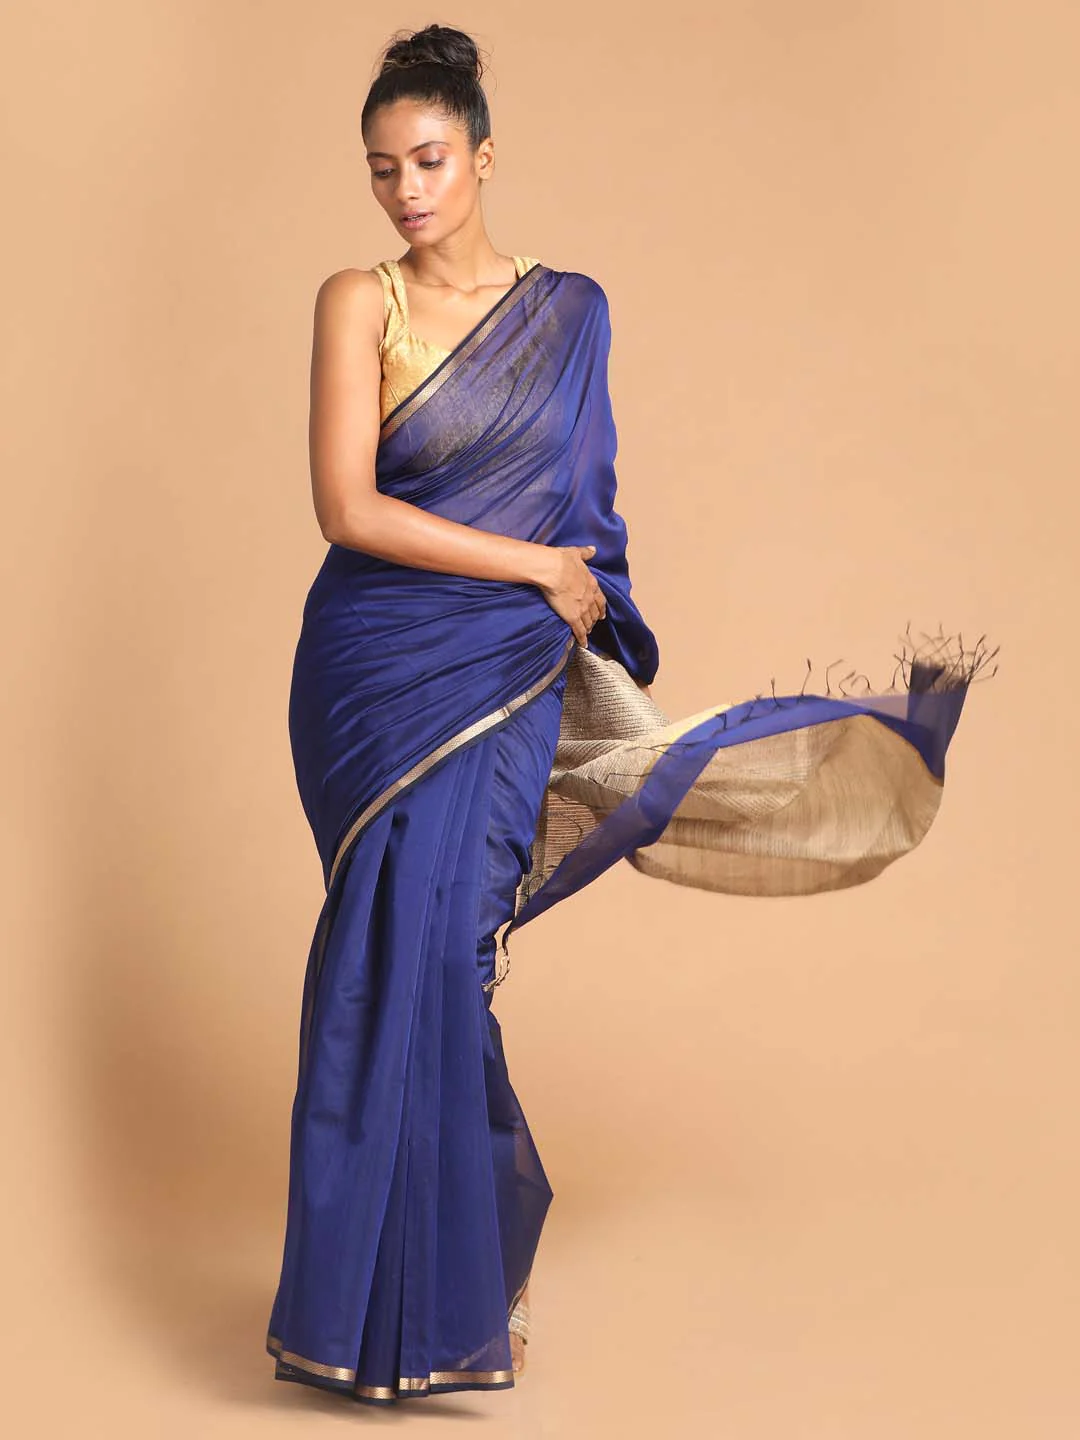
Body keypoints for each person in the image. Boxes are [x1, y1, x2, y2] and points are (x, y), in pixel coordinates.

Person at [265, 23, 996, 1408]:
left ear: (485, 157)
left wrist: (572, 595)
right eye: (382, 169)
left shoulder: (572, 311)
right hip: (373, 672)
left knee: (447, 957)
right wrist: (534, 570)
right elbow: (346, 508)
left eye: (430, 160)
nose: (407, 190)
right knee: (378, 960)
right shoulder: (357, 302)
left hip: (506, 669)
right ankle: (376, 1313)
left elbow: (583, 509)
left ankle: (443, 1299)